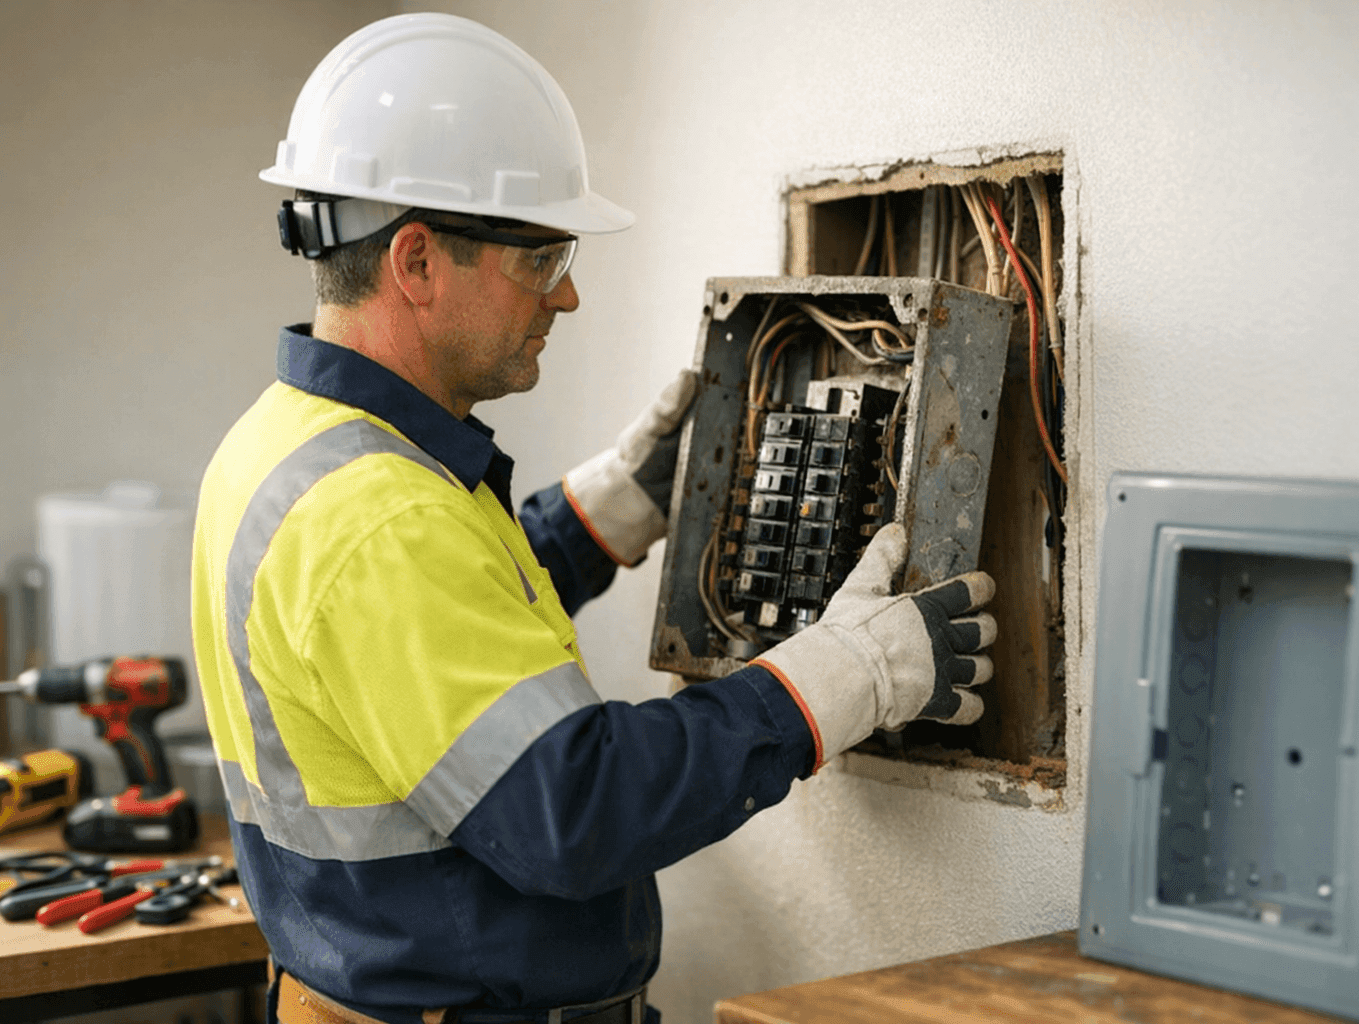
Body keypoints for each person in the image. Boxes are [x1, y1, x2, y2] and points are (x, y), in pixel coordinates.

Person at [190, 13, 996, 1024]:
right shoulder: (378, 517)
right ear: (417, 261)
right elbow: (571, 813)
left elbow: (416, 652)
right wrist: (832, 683)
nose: (567, 294)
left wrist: (599, 516)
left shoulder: (294, 444)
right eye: (540, 256)